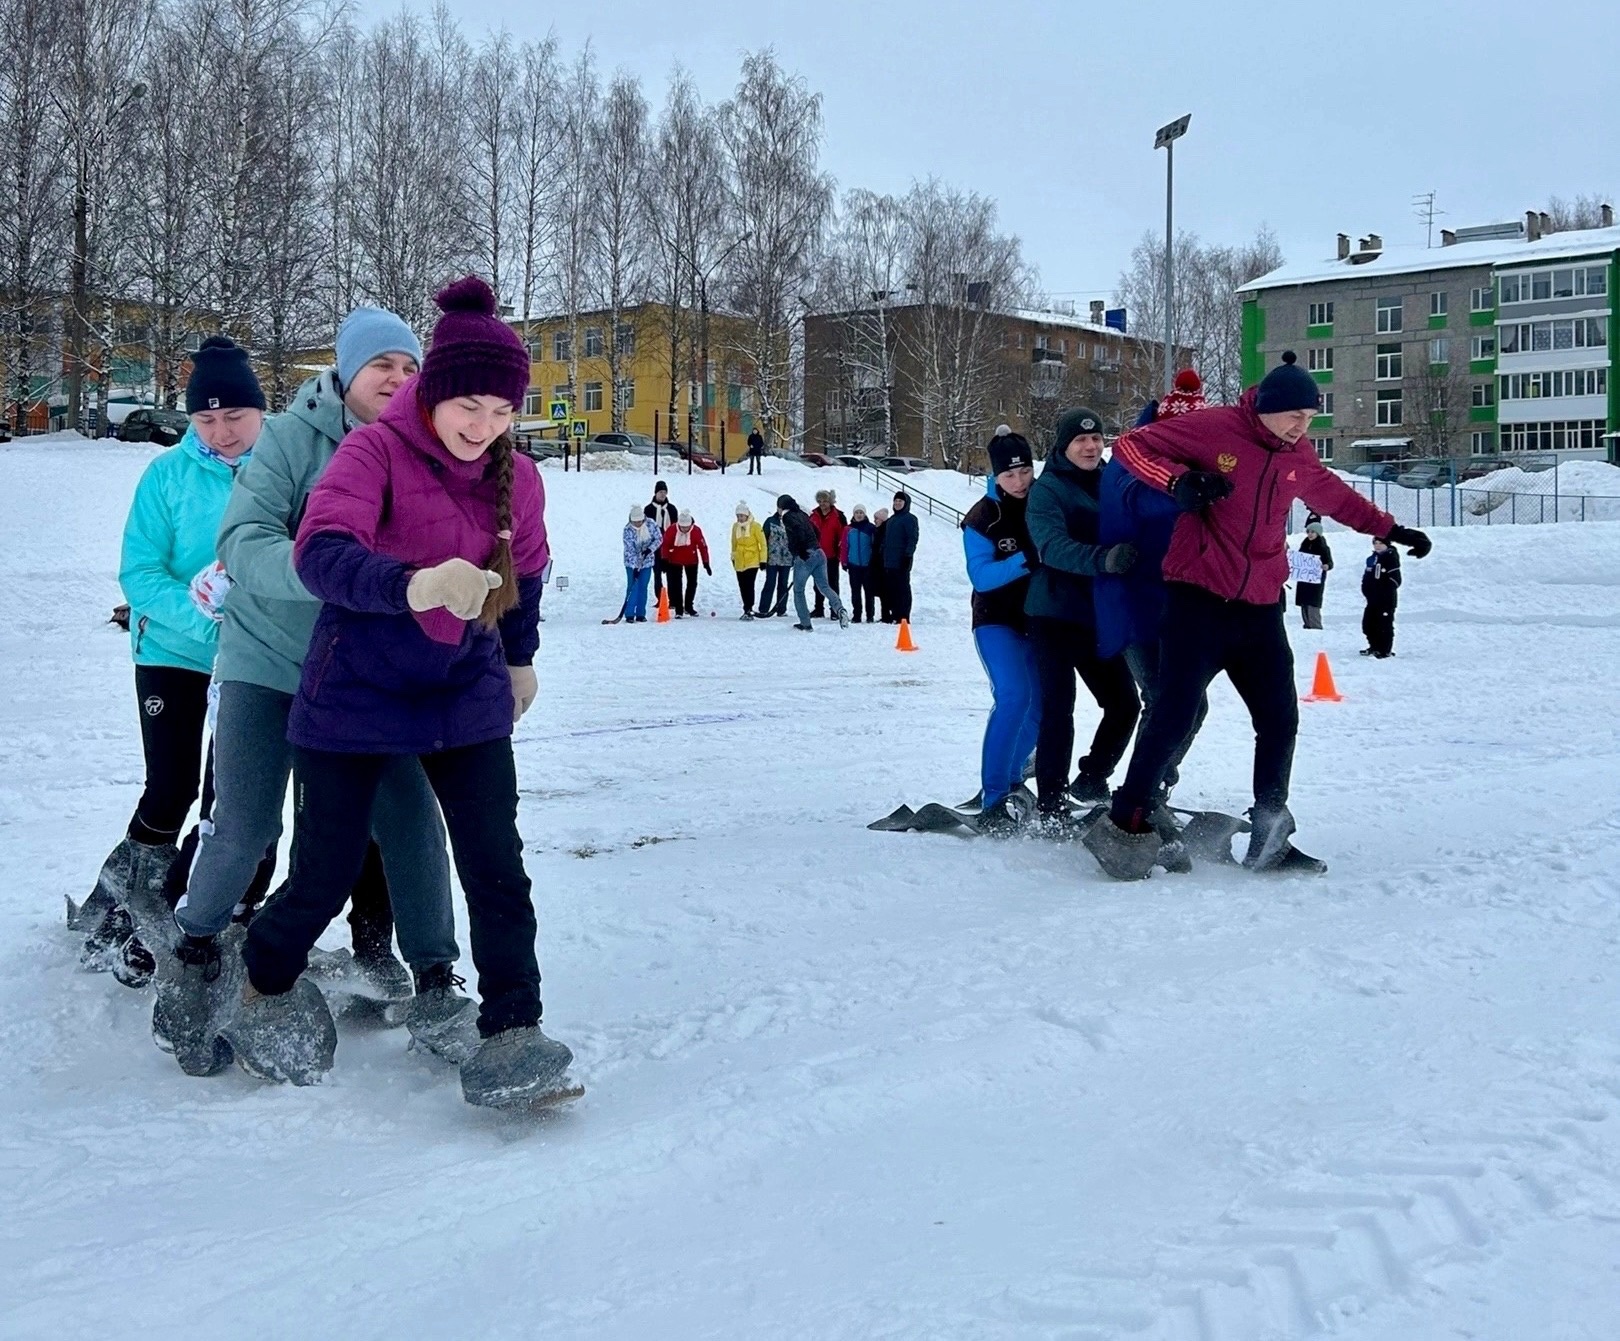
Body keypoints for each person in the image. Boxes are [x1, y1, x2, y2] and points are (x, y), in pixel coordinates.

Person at [236, 276, 572, 1105]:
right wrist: (415, 584)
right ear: (435, 391)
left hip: (465, 687)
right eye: (470, 407)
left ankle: (513, 1028)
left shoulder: (516, 478)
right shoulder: (373, 451)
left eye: (503, 412)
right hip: (355, 687)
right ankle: (264, 978)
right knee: (327, 868)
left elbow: (524, 572)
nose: (485, 427)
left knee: (497, 864)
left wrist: (519, 655)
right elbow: (317, 552)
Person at [138, 309, 467, 1076]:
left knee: (412, 818)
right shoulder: (291, 436)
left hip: (364, 673)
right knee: (246, 820)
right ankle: (194, 944)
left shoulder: (428, 447)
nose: (396, 377)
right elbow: (242, 539)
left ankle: (438, 982)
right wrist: (322, 571)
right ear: (347, 373)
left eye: (408, 365)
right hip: (270, 659)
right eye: (380, 364)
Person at [1089, 351, 1432, 878]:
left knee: (1279, 719)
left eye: (1311, 417)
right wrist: (1178, 481)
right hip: (1197, 601)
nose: (1304, 426)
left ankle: (1271, 832)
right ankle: (1127, 822)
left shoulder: (1298, 454)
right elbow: (1132, 445)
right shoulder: (1214, 428)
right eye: (1296, 415)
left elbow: (1335, 495)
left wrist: (1391, 529)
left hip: (1260, 610)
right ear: (1268, 408)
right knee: (1172, 713)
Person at [71, 337, 265, 987]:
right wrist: (206, 616)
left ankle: (190, 909)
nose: (221, 431)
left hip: (255, 663)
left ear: (259, 410)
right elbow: (140, 573)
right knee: (171, 786)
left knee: (229, 800)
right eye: (206, 419)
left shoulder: (287, 473)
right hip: (173, 651)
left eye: (234, 416)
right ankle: (125, 897)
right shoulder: (166, 477)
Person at [1094, 387, 1211, 816]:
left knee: (1190, 704)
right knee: (1167, 700)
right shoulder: (1133, 455)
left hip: (1173, 607)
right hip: (1129, 606)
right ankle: (1141, 795)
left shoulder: (1191, 459)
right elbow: (1135, 499)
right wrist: (1182, 491)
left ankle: (1153, 785)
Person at [1023, 407, 1142, 823]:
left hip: (1099, 616)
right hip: (1053, 613)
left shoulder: (1113, 480)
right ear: (1063, 445)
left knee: (1124, 704)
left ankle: (1092, 778)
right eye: (1080, 440)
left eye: (1097, 439)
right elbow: (1050, 547)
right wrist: (1104, 559)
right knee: (1060, 708)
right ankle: (1051, 805)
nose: (1091, 446)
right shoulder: (1048, 489)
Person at [963, 426, 1042, 833]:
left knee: (1043, 708)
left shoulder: (1043, 500)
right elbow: (981, 576)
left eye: (1025, 471)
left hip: (1039, 620)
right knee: (1014, 697)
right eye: (1009, 475)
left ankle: (1012, 779)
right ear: (995, 477)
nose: (1019, 481)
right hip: (995, 619)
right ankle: (993, 796)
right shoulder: (982, 517)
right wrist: (1026, 560)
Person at [778, 494, 849, 631]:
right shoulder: (803, 514)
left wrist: (799, 551)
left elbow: (796, 532)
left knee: (798, 590)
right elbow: (816, 531)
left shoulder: (788, 517)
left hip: (806, 556)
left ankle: (805, 623)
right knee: (824, 586)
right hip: (819, 553)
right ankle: (840, 609)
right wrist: (814, 544)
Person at [660, 509, 710, 617]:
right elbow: (665, 545)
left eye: (687, 527)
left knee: (692, 583)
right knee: (677, 584)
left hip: (691, 560)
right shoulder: (672, 530)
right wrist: (664, 559)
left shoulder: (696, 531)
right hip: (675, 560)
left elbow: (703, 546)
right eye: (682, 527)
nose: (685, 529)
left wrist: (706, 562)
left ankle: (688, 606)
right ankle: (679, 609)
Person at [880, 491, 919, 622]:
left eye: (900, 501)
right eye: (895, 501)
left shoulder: (910, 519)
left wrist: (908, 555)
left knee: (903, 588)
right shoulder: (891, 520)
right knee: (892, 589)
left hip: (901, 560)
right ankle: (895, 613)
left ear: (906, 503)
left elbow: (912, 538)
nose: (897, 503)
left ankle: (904, 615)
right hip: (889, 561)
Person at [808, 489, 847, 618]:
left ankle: (834, 610)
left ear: (830, 501)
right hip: (817, 555)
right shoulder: (813, 516)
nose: (822, 504)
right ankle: (818, 608)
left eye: (825, 501)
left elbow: (844, 535)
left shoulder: (838, 516)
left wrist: (840, 553)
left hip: (832, 555)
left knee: (832, 583)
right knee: (817, 583)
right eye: (820, 501)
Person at [1360, 535, 1401, 657]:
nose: (1377, 545)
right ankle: (1374, 646)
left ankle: (1384, 650)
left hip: (1386, 600)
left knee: (1384, 625)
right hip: (1372, 599)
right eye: (1375, 543)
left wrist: (1383, 591)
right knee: (1368, 624)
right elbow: (1367, 576)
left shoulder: (1390, 558)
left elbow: (1396, 580)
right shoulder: (1372, 559)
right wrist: (1366, 590)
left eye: (1380, 543)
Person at [622, 505, 661, 622]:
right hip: (632, 564)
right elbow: (630, 550)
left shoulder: (651, 524)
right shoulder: (627, 530)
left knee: (643, 587)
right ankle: (629, 613)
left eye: (640, 521)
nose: (638, 524)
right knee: (633, 586)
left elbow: (658, 538)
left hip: (647, 562)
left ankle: (640, 613)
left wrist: (650, 549)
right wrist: (635, 567)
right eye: (635, 522)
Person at [729, 501, 767, 620]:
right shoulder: (735, 527)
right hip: (740, 560)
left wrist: (763, 560)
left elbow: (763, 543)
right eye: (738, 516)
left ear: (747, 515)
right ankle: (746, 607)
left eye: (741, 516)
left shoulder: (755, 526)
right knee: (742, 585)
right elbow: (734, 543)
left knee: (749, 585)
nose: (740, 518)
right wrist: (733, 557)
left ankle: (749, 608)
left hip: (752, 560)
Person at [841, 503, 877, 623]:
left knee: (869, 591)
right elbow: (845, 547)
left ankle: (870, 615)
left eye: (861, 512)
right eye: (857, 512)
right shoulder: (848, 529)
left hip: (868, 566)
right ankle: (857, 615)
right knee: (855, 591)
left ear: (865, 514)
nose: (859, 515)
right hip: (854, 565)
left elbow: (874, 545)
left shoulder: (871, 528)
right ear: (853, 514)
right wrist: (844, 561)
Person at [1296, 514, 1333, 629]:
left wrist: (1326, 566)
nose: (1310, 534)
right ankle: (1307, 624)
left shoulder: (1322, 546)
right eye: (1308, 532)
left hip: (1315, 580)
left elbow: (1330, 562)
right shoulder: (1305, 544)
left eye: (1313, 532)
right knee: (1304, 603)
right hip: (1304, 579)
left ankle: (1315, 626)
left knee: (1313, 603)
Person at [644, 480, 677, 604]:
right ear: (655, 493)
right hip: (654, 547)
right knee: (657, 574)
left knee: (671, 575)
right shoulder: (648, 509)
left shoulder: (672, 509)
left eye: (664, 492)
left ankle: (673, 599)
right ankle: (660, 599)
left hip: (669, 547)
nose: (662, 495)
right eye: (660, 492)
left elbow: (676, 527)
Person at [758, 505, 792, 618]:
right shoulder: (770, 521)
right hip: (772, 559)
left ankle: (781, 609)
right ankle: (764, 608)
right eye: (780, 508)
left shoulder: (792, 522)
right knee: (770, 583)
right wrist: (762, 558)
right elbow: (763, 540)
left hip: (786, 559)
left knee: (783, 584)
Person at [871, 506, 892, 623]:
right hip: (878, 564)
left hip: (882, 564)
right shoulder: (878, 530)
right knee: (882, 591)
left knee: (885, 591)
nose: (875, 521)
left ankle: (887, 615)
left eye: (876, 519)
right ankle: (886, 614)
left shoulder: (884, 531)